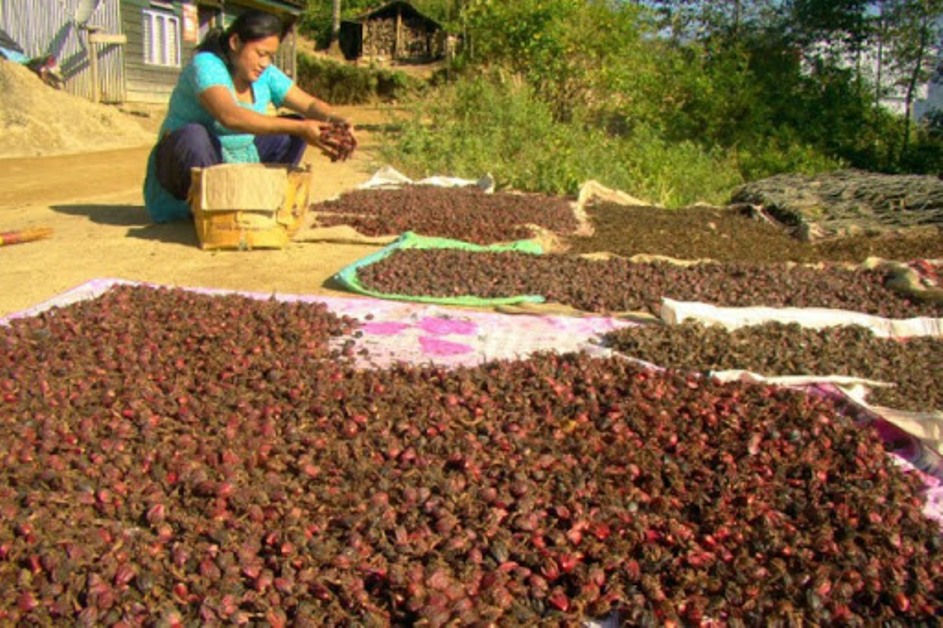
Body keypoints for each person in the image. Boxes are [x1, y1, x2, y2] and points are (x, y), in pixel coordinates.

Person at [143, 10, 353, 223]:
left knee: (293, 130)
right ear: (235, 42)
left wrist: (335, 120)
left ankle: (256, 202)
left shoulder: (266, 74)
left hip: (237, 158)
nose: (265, 63)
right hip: (188, 162)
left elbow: (309, 104)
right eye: (260, 54)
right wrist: (300, 128)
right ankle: (204, 211)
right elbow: (229, 116)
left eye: (270, 56)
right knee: (193, 135)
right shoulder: (207, 65)